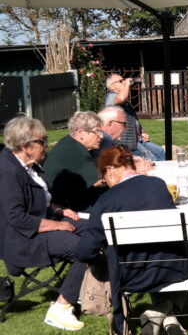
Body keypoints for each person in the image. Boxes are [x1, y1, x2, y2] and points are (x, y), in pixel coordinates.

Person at [76, 145, 188, 335]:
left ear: (109, 170)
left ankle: (158, 312)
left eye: (103, 176)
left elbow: (84, 252)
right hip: (174, 267)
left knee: (144, 256)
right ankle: (167, 316)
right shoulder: (158, 185)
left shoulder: (107, 200)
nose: (104, 181)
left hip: (130, 274)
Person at [0, 116, 87, 331]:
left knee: (98, 228)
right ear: (24, 145)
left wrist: (58, 209)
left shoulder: (30, 165)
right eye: (42, 141)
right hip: (23, 239)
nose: (46, 145)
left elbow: (38, 200)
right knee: (85, 249)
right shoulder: (8, 171)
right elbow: (17, 218)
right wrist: (58, 225)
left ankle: (97, 289)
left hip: (43, 222)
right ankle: (61, 309)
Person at [43, 111, 106, 211]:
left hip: (68, 201)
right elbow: (99, 180)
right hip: (66, 207)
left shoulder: (69, 143)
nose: (101, 136)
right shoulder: (75, 150)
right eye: (97, 131)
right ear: (80, 132)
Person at [104, 74, 165, 161]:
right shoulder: (111, 96)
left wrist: (142, 132)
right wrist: (127, 84)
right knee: (151, 159)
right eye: (121, 81)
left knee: (160, 151)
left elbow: (132, 118)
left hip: (138, 139)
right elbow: (121, 98)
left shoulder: (124, 101)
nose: (124, 82)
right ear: (111, 86)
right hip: (127, 141)